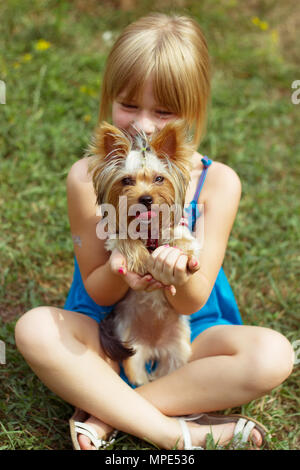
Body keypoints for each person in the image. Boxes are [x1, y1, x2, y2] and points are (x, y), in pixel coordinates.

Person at [15, 13, 294, 450]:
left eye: (163, 111)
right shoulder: (87, 177)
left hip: (193, 332)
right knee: (34, 329)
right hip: (108, 332)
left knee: (274, 354)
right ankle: (174, 430)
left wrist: (176, 276)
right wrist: (122, 270)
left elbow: (194, 298)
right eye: (129, 105)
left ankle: (108, 411)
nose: (144, 124)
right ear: (109, 100)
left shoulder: (218, 182)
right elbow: (99, 291)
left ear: (191, 114)